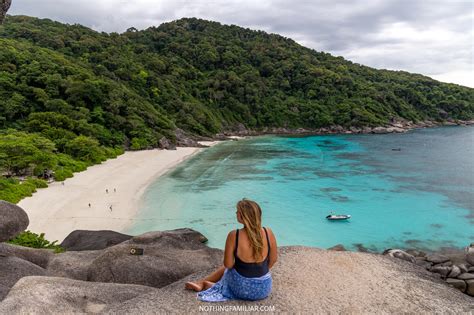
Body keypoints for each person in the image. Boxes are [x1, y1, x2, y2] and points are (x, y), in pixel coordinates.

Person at [185, 199, 277, 302]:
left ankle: (204, 283)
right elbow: (273, 260)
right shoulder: (268, 232)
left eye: (238, 211)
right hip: (263, 289)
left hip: (242, 289)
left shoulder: (234, 235)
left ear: (243, 216)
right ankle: (204, 283)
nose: (236, 213)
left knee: (230, 268)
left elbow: (228, 265)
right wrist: (258, 272)